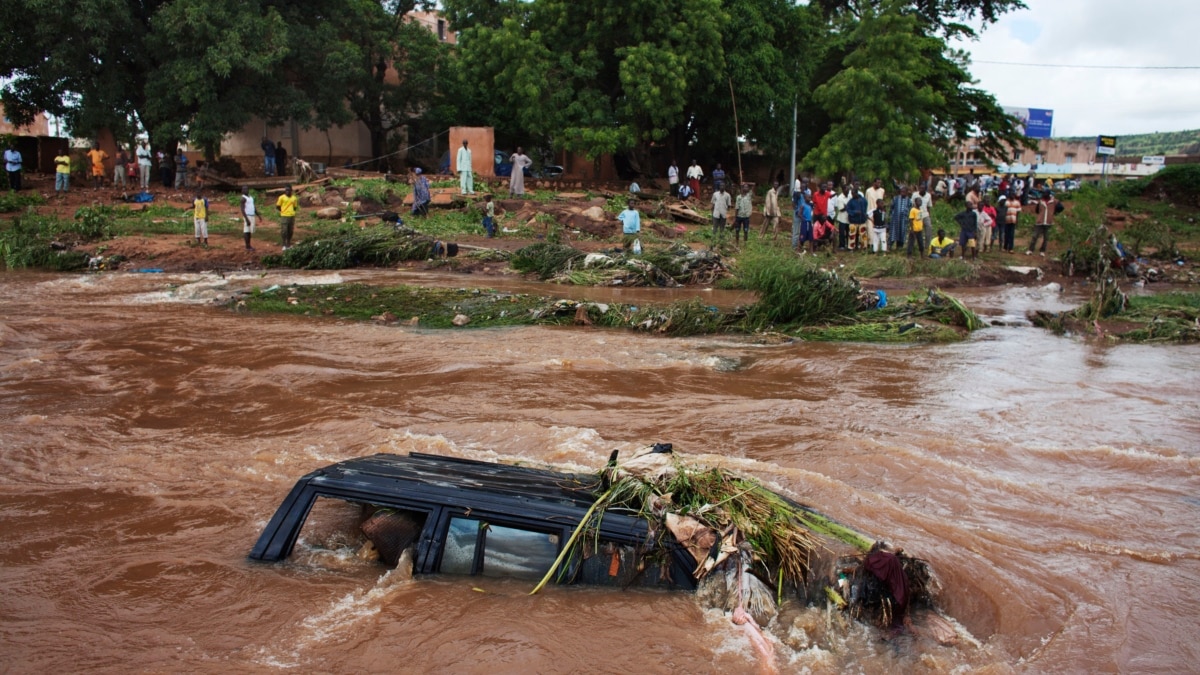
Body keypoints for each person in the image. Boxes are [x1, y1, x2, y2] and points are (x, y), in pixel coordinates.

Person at [1028, 191, 1056, 256]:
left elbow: (1060, 207)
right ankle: (1030, 250)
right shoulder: (1041, 201)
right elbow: (1037, 210)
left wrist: (1052, 213)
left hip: (1048, 222)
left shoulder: (1053, 201)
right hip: (1040, 221)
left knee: (1046, 238)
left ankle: (1042, 251)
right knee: (1035, 236)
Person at [276, 185, 298, 250]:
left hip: (291, 216)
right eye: (286, 190)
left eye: (289, 190)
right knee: (284, 230)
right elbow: (278, 206)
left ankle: (288, 243)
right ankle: (284, 244)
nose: (287, 192)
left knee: (290, 231)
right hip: (284, 216)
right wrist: (283, 211)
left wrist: (291, 212)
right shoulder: (281, 197)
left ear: (291, 190)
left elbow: (295, 207)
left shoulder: (294, 198)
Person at [832, 185, 851, 250]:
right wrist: (847, 207)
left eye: (848, 189)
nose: (848, 191)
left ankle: (849, 245)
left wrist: (847, 206)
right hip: (842, 218)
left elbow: (850, 206)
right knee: (842, 233)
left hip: (849, 218)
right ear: (843, 190)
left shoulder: (850, 196)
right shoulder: (840, 198)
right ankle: (842, 245)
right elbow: (841, 209)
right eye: (847, 189)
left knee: (849, 232)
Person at [240, 186, 257, 251]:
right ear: (242, 191)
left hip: (252, 215)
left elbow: (253, 207)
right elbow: (242, 209)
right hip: (247, 216)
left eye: (247, 189)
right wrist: (246, 219)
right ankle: (247, 246)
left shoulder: (251, 197)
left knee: (249, 231)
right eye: (244, 189)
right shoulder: (243, 199)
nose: (246, 190)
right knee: (246, 231)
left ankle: (249, 245)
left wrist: (258, 215)